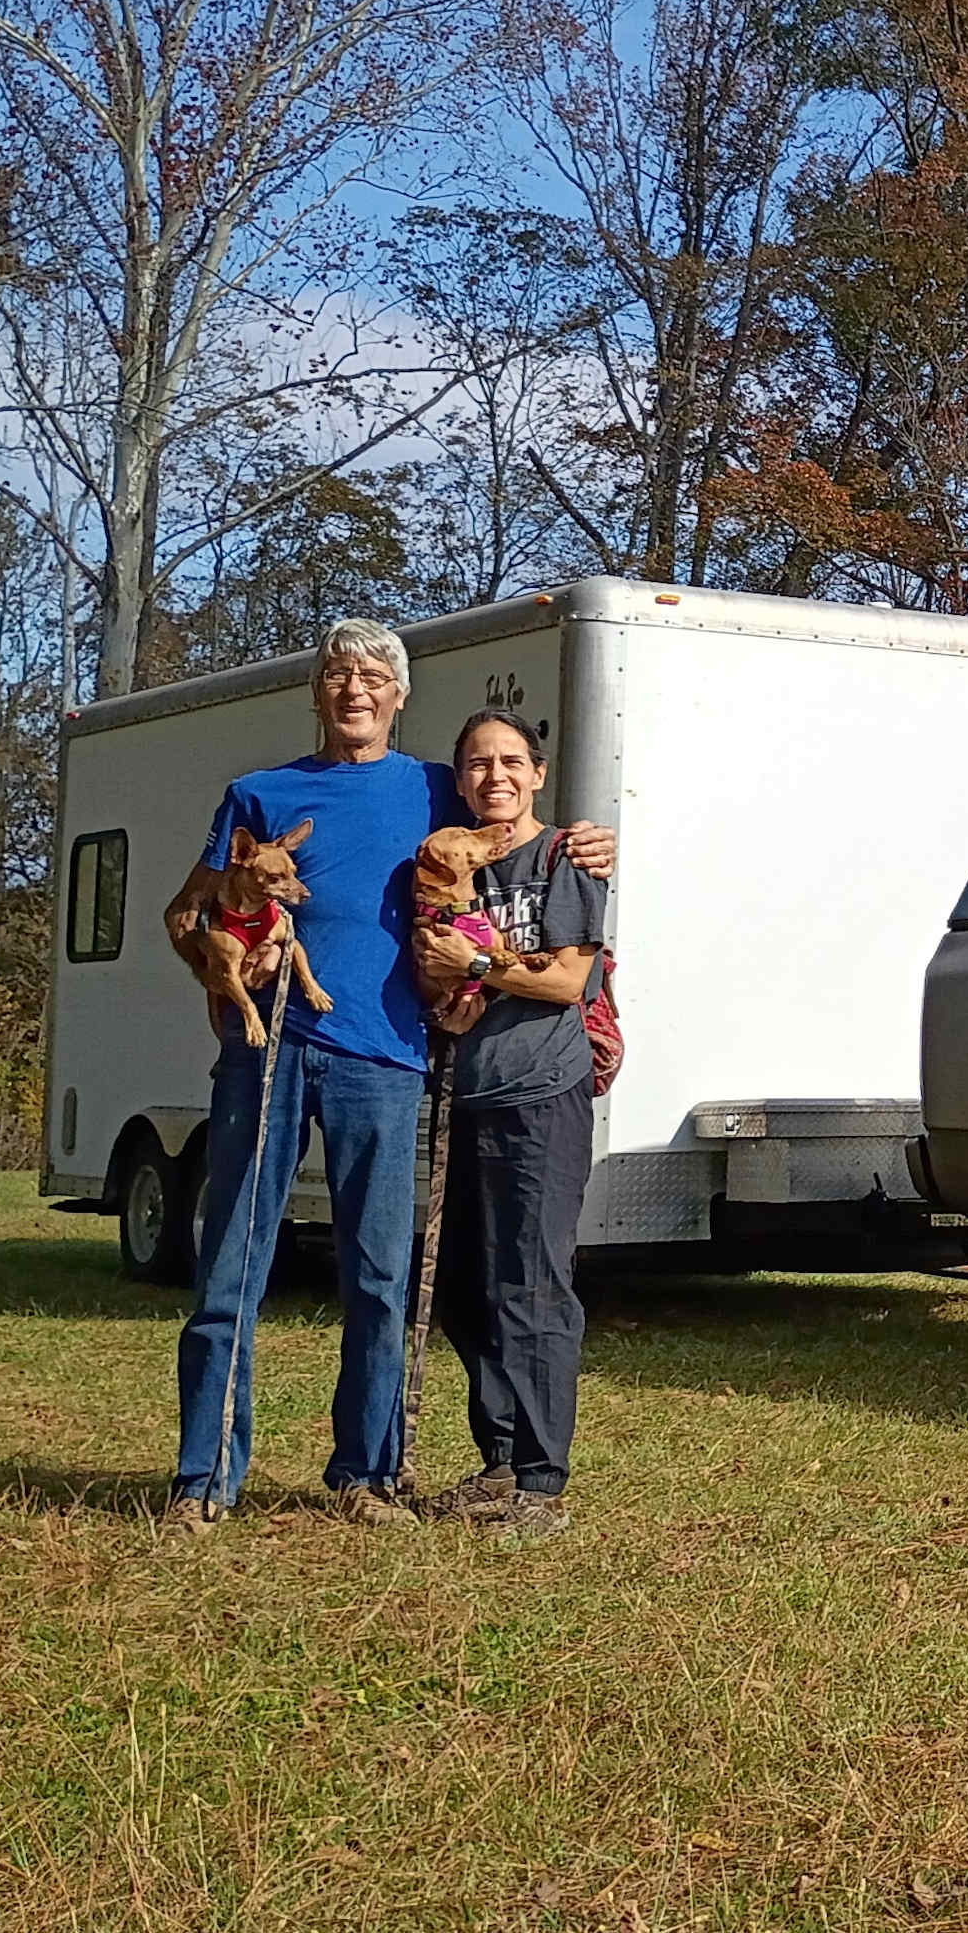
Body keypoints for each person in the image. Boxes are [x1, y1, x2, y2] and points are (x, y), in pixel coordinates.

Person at [159, 620, 614, 1532]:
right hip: (270, 1053)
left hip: (390, 1057)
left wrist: (584, 841)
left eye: (374, 676)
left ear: (401, 697)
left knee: (378, 1277)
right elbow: (185, 913)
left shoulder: (436, 789)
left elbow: (513, 822)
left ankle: (366, 1476)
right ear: (317, 692)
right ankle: (204, 1481)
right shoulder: (258, 795)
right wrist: (218, 966)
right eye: (338, 674)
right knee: (234, 1263)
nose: (355, 689)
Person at [410, 709, 607, 1539]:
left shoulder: (564, 856)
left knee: (532, 1284)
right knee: (463, 1288)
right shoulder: (439, 860)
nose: (495, 776)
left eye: (510, 762)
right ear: (459, 779)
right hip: (461, 1095)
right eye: (478, 764)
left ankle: (541, 1480)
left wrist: (481, 964)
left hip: (540, 1092)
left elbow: (566, 981)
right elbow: (424, 971)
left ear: (537, 772)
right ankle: (495, 1462)